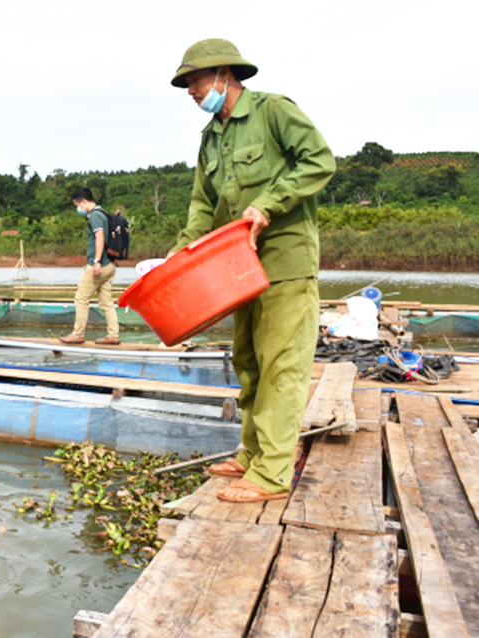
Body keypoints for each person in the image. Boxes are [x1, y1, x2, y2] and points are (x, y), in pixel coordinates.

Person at [167, 39, 335, 503]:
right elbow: (203, 206)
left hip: (284, 262)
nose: (190, 91)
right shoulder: (210, 138)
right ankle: (253, 452)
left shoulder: (273, 112)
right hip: (235, 270)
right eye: (185, 84)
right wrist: (177, 257)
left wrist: (268, 204)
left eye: (195, 80)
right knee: (248, 362)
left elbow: (320, 161)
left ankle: (272, 473)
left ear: (225, 74)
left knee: (282, 365)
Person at [59, 188, 120, 345]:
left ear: (83, 201)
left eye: (77, 205)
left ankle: (78, 334)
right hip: (111, 264)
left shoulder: (94, 215)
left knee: (81, 298)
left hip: (100, 265)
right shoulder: (103, 213)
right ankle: (113, 335)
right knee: (106, 302)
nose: (77, 208)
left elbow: (99, 238)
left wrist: (96, 262)